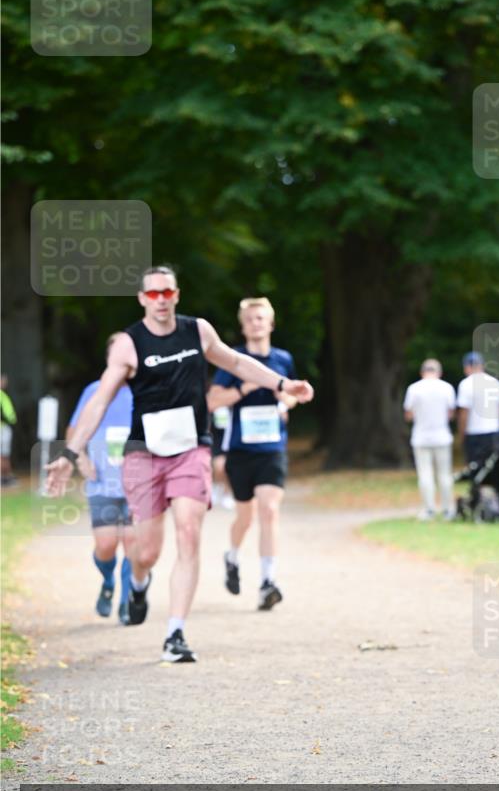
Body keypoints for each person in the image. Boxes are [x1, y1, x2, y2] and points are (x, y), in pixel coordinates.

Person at [46, 268, 314, 662]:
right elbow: (99, 402)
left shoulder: (198, 331)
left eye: (166, 291)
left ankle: (175, 634)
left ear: (176, 295)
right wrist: (70, 453)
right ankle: (138, 584)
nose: (160, 299)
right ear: (142, 298)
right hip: (144, 452)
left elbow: (238, 362)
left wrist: (281, 384)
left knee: (189, 532)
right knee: (147, 550)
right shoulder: (128, 344)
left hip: (191, 448)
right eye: (152, 293)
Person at [207, 297, 299, 610]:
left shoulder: (283, 360)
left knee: (269, 511)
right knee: (245, 517)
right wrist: (243, 389)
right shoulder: (234, 360)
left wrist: (285, 400)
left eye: (261, 318)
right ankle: (232, 557)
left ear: (270, 323)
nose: (256, 324)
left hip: (272, 448)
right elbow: (212, 401)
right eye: (250, 319)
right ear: (243, 325)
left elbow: (293, 397)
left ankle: (267, 582)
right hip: (240, 450)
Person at [67, 334, 135, 621]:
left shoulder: (145, 391)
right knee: (106, 546)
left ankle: (127, 601)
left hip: (137, 485)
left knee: (134, 544)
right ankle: (108, 582)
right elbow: (73, 432)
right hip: (102, 482)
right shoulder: (94, 391)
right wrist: (81, 458)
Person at [403, 358, 456, 520]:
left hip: (421, 437)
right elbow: (451, 413)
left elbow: (408, 415)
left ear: (422, 372)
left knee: (425, 474)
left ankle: (429, 509)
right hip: (442, 436)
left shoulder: (414, 389)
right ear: (439, 372)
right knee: (445, 474)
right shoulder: (447, 388)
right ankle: (447, 509)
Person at [456, 352, 499, 467]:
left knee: (475, 467)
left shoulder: (465, 384)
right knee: (491, 466)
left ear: (467, 367)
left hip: (474, 432)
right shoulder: (494, 382)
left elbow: (464, 414)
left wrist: (462, 434)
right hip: (493, 431)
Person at [210, 400, 234, 510]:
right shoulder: (214, 407)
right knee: (219, 466)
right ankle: (217, 486)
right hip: (218, 442)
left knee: (229, 468)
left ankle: (227, 493)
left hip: (233, 442)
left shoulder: (235, 405)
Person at [0, 374, 17, 487]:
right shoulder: (2, 396)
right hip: (3, 428)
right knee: (3, 454)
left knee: (4, 454)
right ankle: (5, 477)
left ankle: (6, 477)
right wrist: (11, 419)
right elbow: (9, 415)